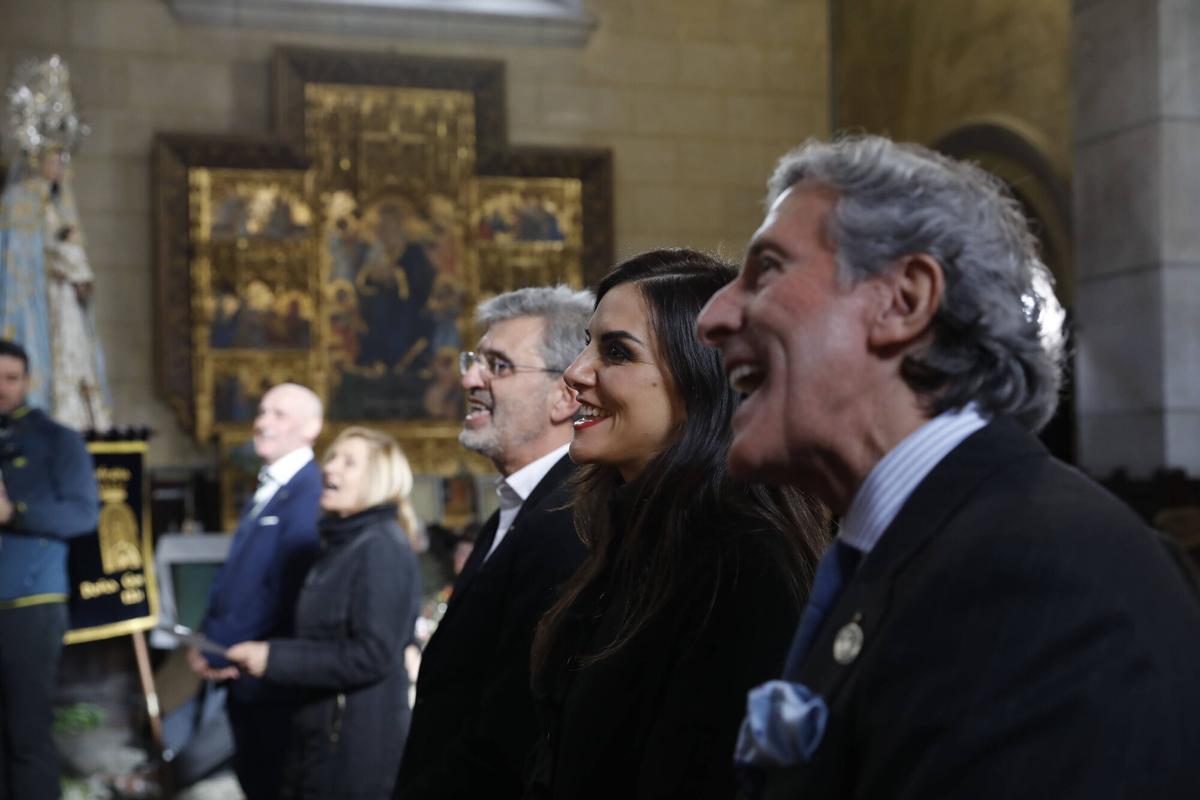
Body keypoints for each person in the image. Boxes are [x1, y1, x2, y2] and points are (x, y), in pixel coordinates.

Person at [695, 135, 1200, 798]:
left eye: (766, 270)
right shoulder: (926, 544)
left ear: (904, 300)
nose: (712, 317)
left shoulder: (1036, 574)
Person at [524, 250, 828, 799]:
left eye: (616, 352)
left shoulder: (739, 566)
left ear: (699, 384)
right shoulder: (629, 533)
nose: (574, 373)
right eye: (586, 342)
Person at [395, 285, 592, 800]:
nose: (468, 379)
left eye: (497, 366)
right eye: (472, 361)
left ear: (565, 394)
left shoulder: (569, 517)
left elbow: (512, 728)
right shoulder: (519, 505)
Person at [226, 426, 422, 800]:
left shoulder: (380, 546)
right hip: (322, 733)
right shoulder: (342, 542)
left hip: (355, 748)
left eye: (349, 462)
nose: (330, 469)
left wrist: (273, 657)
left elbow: (372, 654)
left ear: (379, 479)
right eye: (331, 457)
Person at [188, 382, 324, 800]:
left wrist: (223, 648)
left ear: (312, 427)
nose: (262, 423)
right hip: (241, 670)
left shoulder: (308, 491)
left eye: (279, 414)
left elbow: (284, 589)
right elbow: (239, 578)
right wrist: (204, 638)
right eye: (262, 412)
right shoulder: (271, 485)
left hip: (267, 673)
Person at [0, 338, 98, 799]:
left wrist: (14, 512)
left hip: (30, 603)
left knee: (26, 731)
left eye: (11, 378)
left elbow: (83, 514)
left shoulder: (57, 440)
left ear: (28, 381)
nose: (1, 388)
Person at [0, 55, 111, 431]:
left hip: (64, 301)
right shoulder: (19, 201)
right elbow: (19, 258)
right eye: (55, 157)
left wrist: (79, 275)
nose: (62, 165)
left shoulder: (63, 202)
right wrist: (58, 262)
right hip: (35, 302)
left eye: (65, 157)